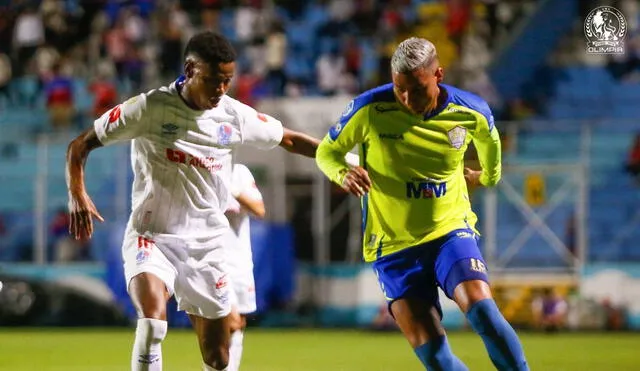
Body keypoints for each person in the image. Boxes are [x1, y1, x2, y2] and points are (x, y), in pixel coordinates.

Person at [66, 31, 326, 371]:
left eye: (227, 81)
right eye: (213, 80)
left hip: (206, 246)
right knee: (152, 324)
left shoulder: (234, 115)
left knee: (218, 356)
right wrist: (77, 193)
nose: (220, 89)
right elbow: (80, 145)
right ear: (190, 70)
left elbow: (289, 140)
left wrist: (341, 161)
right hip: (152, 236)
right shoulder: (149, 108)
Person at [315, 37, 528, 370]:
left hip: (449, 231)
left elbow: (492, 151)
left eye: (416, 88)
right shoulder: (370, 108)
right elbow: (326, 152)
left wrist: (485, 177)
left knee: (482, 309)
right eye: (400, 88)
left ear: (438, 75)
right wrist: (342, 174)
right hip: (393, 247)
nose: (406, 98)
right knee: (436, 357)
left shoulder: (471, 111)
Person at [223, 163, 265, 371]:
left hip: (239, 262)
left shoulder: (238, 172)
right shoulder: (198, 169)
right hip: (211, 260)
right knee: (229, 322)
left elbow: (259, 209)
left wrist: (232, 189)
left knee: (238, 323)